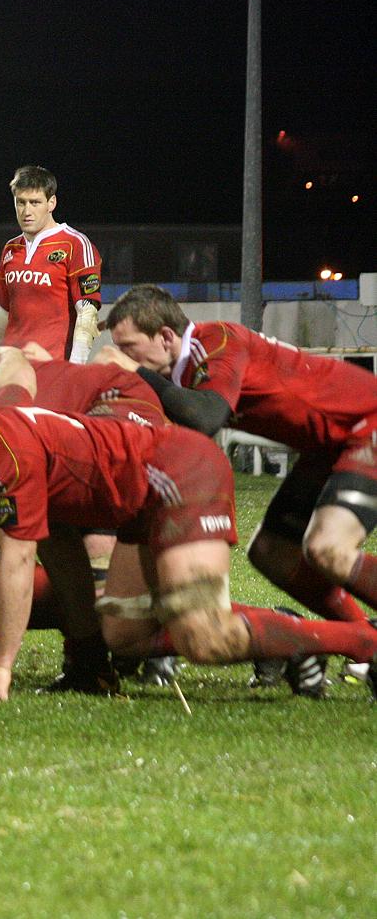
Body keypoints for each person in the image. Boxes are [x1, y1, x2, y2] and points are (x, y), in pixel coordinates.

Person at [0, 377, 377, 702]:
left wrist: (1, 669)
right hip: (142, 501)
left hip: (180, 477)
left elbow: (17, 563)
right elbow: (57, 546)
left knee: (204, 638)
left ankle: (361, 641)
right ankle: (283, 637)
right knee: (123, 636)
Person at [102, 284, 377, 691]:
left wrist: (136, 374)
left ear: (165, 337)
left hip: (366, 426)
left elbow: (206, 416)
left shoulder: (217, 341)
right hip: (329, 446)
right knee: (271, 553)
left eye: (128, 347)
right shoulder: (183, 371)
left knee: (327, 549)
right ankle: (365, 643)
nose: (123, 358)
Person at [0, 166, 101, 363]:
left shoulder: (75, 244)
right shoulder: (10, 248)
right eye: (20, 202)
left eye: (35, 202)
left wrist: (74, 369)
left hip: (52, 367)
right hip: (11, 366)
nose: (26, 211)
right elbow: (2, 314)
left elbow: (87, 314)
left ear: (51, 202)